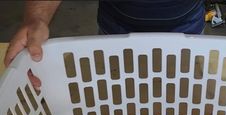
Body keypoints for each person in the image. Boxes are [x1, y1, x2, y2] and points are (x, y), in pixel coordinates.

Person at [4, 0, 205, 67]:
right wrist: (37, 19)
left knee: (182, 93)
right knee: (119, 95)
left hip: (186, 30)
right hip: (116, 32)